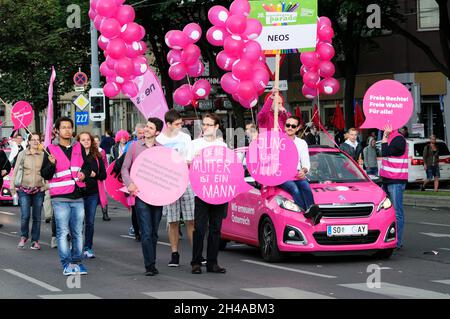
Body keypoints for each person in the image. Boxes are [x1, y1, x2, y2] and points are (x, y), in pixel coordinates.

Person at [41, 117, 91, 276]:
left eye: (70, 127)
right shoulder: (50, 149)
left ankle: (77, 262)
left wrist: (84, 173)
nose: (67, 130)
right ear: (57, 131)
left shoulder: (78, 147)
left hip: (77, 196)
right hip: (60, 197)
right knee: (63, 232)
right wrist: (51, 164)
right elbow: (45, 174)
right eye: (63, 127)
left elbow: (87, 165)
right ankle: (67, 263)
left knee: (77, 232)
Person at [121, 117, 164, 276]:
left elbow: (166, 173)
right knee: (146, 231)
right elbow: (125, 168)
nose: (146, 129)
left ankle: (151, 260)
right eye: (146, 126)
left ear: (157, 132)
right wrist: (129, 183)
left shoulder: (162, 149)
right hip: (140, 194)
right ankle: (150, 265)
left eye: (150, 128)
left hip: (158, 196)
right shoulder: (134, 147)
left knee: (154, 232)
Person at [190, 113, 231, 275]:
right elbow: (186, 164)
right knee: (200, 228)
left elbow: (229, 168)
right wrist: (194, 159)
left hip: (220, 191)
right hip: (201, 191)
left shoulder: (223, 146)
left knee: (216, 228)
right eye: (204, 124)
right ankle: (196, 261)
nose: (204, 127)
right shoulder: (195, 144)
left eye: (208, 124)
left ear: (216, 127)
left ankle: (212, 263)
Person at [156, 110, 195, 268]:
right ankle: (174, 253)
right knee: (173, 221)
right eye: (177, 124)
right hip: (169, 183)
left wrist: (184, 161)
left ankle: (196, 253)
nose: (180, 127)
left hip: (185, 181)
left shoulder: (185, 137)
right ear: (169, 124)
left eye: (181, 123)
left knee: (191, 219)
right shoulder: (160, 139)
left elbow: (190, 158)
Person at [279, 116, 321, 225]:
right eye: (288, 125)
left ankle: (312, 212)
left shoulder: (302, 143)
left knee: (306, 187)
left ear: (297, 128)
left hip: (296, 173)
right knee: (294, 189)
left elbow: (306, 162)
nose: (290, 128)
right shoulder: (277, 141)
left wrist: (304, 170)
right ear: (284, 126)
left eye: (293, 126)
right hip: (281, 175)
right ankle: (305, 213)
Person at [11, 133, 46, 250]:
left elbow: (48, 172)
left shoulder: (43, 155)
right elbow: (15, 171)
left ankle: (35, 240)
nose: (36, 142)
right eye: (33, 140)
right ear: (29, 142)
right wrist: (12, 188)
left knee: (37, 217)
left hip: (39, 189)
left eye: (38, 140)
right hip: (24, 190)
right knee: (25, 215)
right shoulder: (22, 154)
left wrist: (45, 186)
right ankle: (23, 236)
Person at [77, 132, 107, 259]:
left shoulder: (97, 156)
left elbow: (104, 175)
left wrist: (95, 175)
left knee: (89, 222)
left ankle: (88, 248)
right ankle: (76, 245)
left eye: (88, 139)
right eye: (83, 140)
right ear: (78, 142)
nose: (86, 142)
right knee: (78, 221)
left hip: (92, 193)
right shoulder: (75, 156)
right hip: (77, 193)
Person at [380, 124, 408, 250]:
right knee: (384, 212)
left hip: (396, 181)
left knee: (397, 213)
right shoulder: (390, 138)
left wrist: (385, 135)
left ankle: (397, 241)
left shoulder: (398, 139)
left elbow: (385, 152)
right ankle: (386, 239)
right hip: (387, 180)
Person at [125, 123, 146, 241]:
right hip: (133, 181)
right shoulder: (130, 145)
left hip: (147, 181)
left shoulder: (150, 144)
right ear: (135, 134)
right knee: (135, 208)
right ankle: (137, 231)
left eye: (143, 132)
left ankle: (146, 230)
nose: (142, 135)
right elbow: (125, 164)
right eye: (139, 133)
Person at [94, 135, 110, 221]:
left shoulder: (102, 151)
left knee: (103, 195)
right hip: (91, 176)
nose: (96, 142)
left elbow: (105, 163)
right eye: (94, 141)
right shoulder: (89, 151)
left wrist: (105, 173)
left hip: (100, 176)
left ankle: (105, 214)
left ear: (100, 142)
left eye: (97, 141)